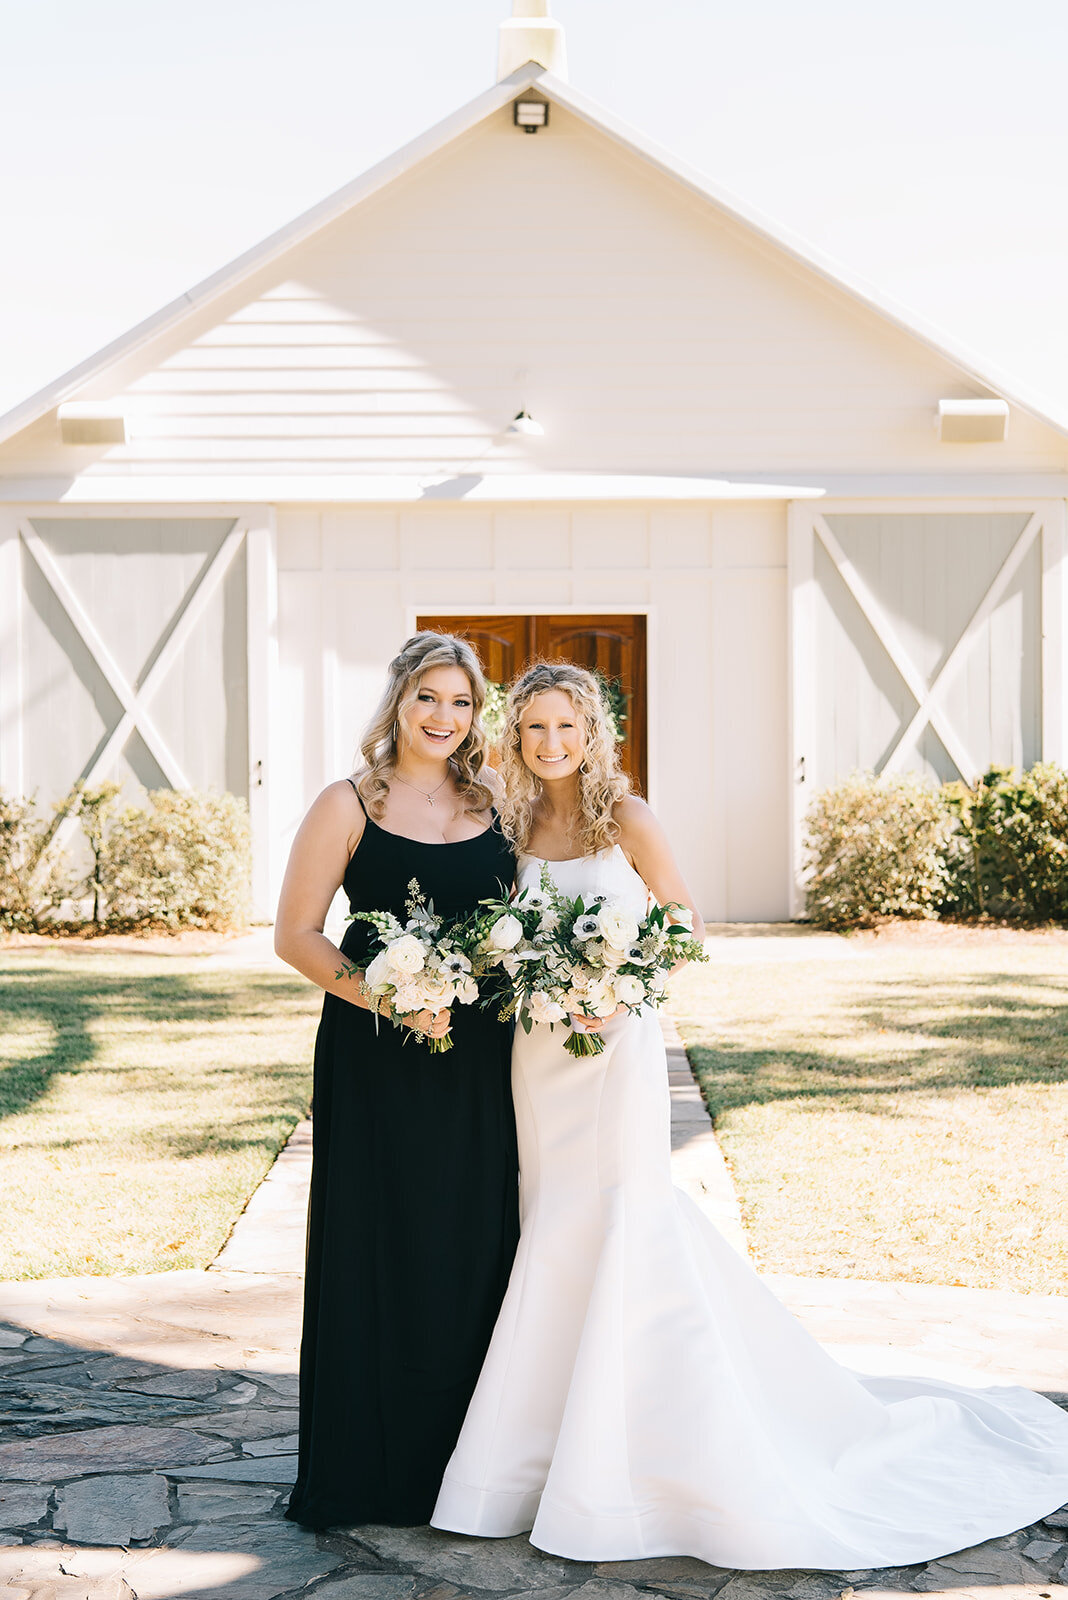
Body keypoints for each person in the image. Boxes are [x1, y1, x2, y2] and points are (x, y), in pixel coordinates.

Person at [431, 659, 1068, 1569]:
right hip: (539, 1059)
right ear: (514, 736)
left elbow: (684, 923)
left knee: (621, 1214)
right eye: (533, 728)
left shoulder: (629, 818)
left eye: (566, 725)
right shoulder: (511, 821)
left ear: (593, 731)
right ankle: (547, 1442)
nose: (550, 743)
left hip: (617, 1048)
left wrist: (624, 993)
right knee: (555, 1219)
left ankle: (634, 1446)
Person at [275, 632, 519, 1530]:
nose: (445, 719)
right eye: (429, 699)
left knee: (471, 1240)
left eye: (461, 704)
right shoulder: (348, 802)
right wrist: (386, 997)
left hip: (482, 1058)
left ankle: (466, 1470)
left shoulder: (496, 800)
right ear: (398, 703)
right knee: (378, 1241)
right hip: (377, 1058)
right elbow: (296, 934)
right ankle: (366, 1472)